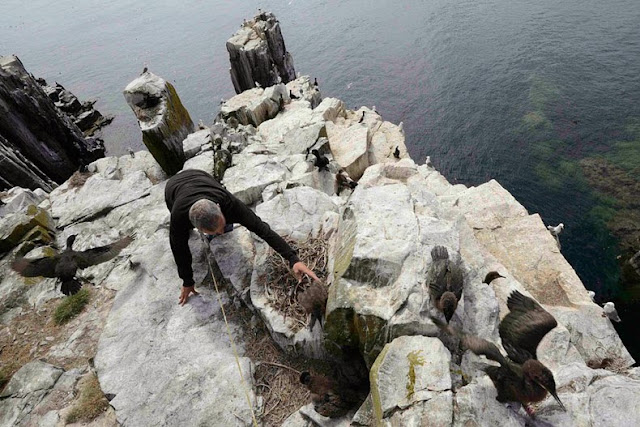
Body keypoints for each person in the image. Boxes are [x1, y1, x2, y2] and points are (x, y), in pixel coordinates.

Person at [165, 169, 319, 305]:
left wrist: (293, 259)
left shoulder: (229, 203)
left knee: (226, 227)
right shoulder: (178, 217)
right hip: (172, 190)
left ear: (219, 208)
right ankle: (214, 227)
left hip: (200, 175)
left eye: (221, 225)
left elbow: (262, 229)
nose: (220, 233)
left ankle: (221, 225)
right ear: (197, 228)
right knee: (180, 237)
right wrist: (187, 281)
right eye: (214, 232)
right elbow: (179, 249)